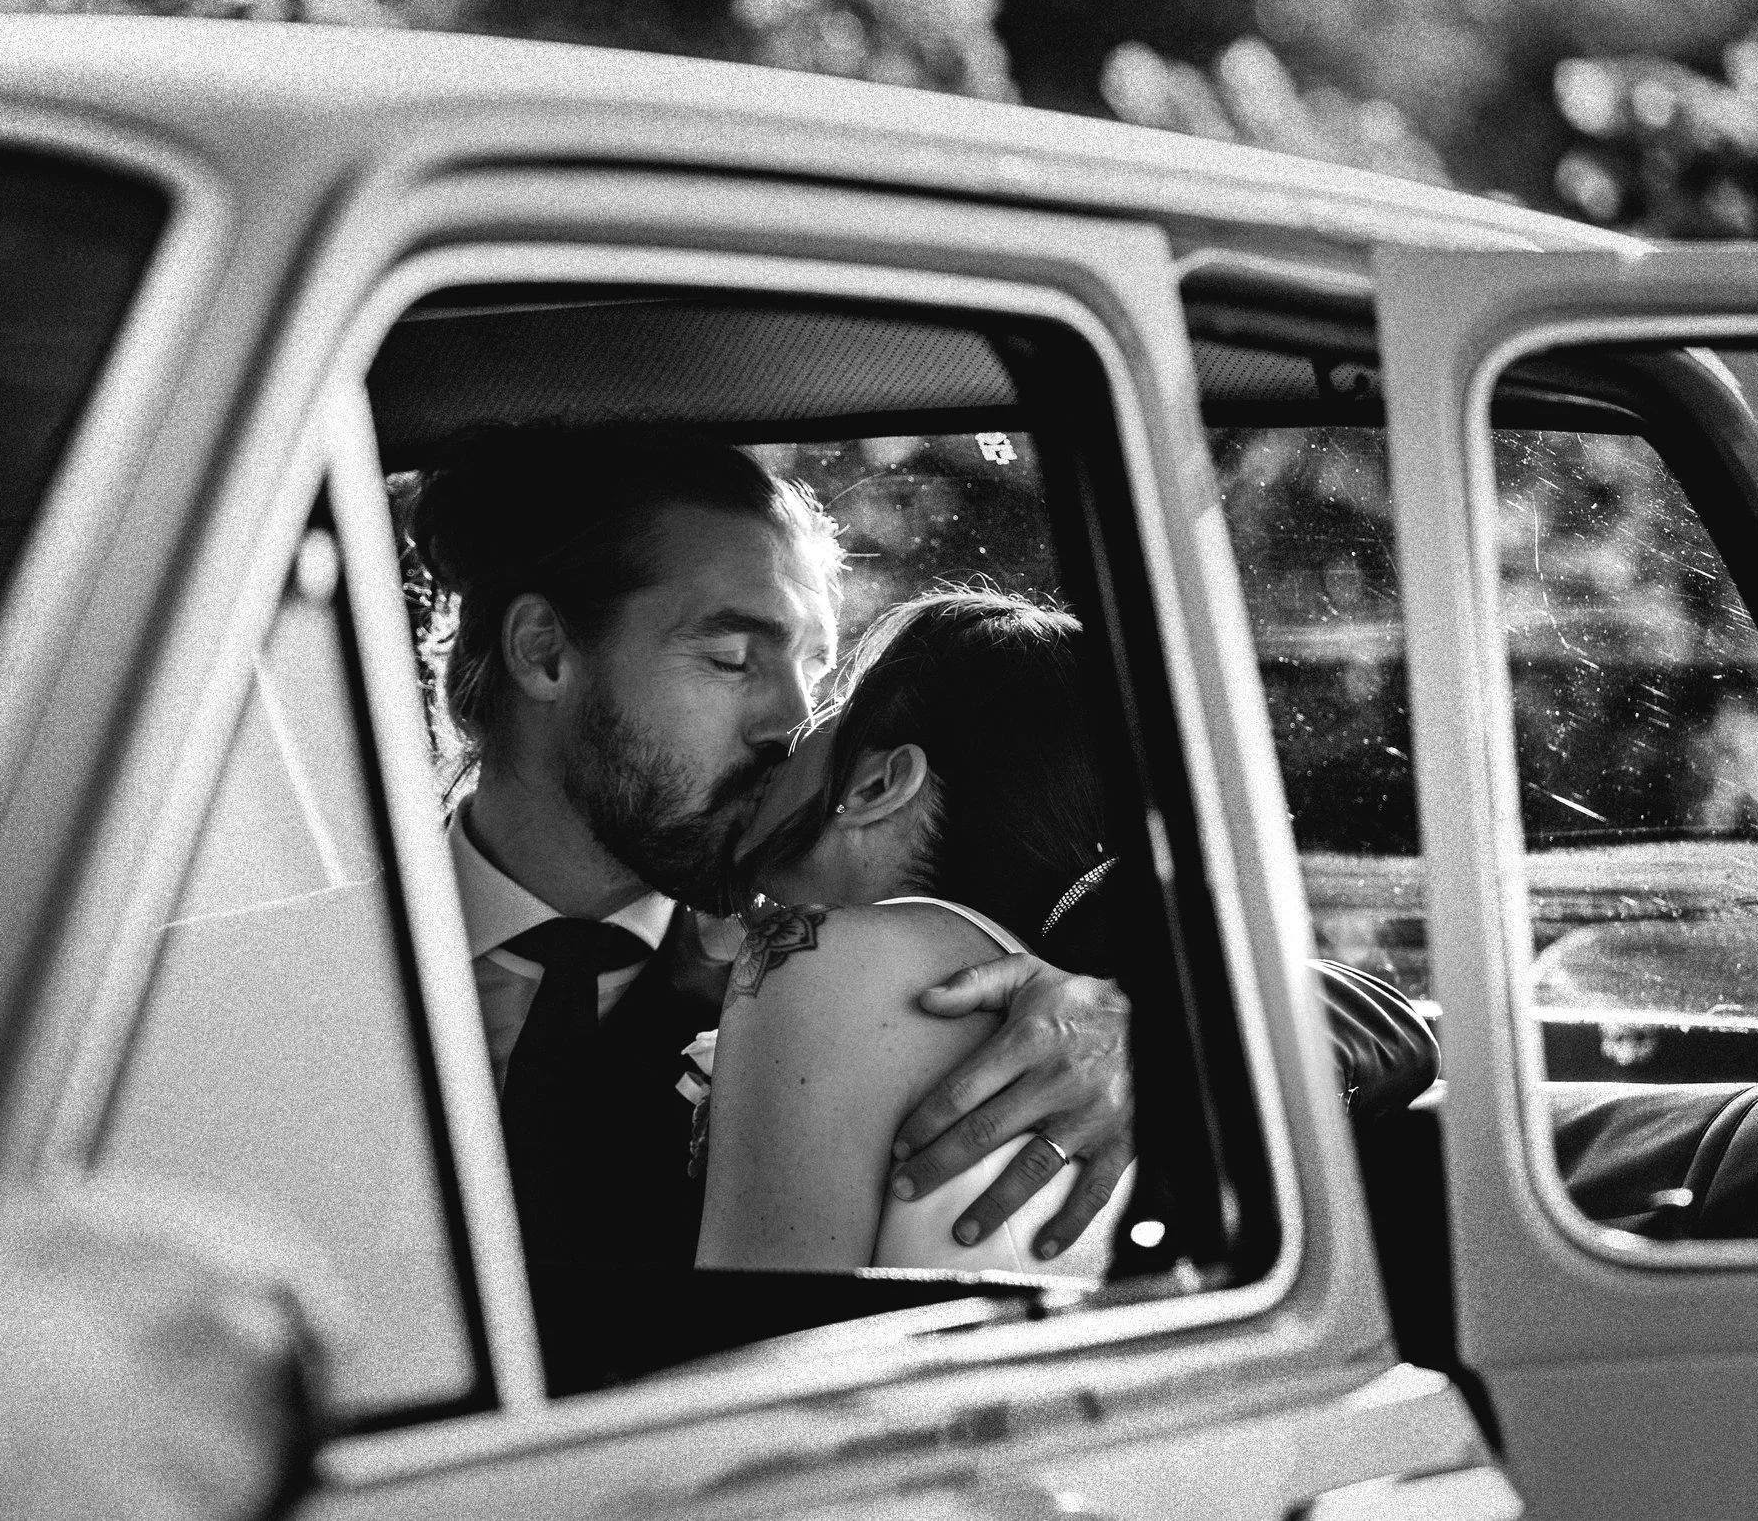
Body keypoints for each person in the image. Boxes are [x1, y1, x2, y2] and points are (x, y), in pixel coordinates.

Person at [406, 425, 1433, 1388]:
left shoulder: (866, 947)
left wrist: (1173, 1028)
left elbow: (1372, 1012)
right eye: (732, 657)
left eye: (813, 664)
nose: (789, 718)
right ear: (545, 651)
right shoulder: (290, 975)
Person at [696, 590, 1164, 1274]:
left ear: (880, 784)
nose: (793, 729)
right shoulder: (1079, 1015)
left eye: (839, 705)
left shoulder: (826, 963)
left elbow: (753, 1343)